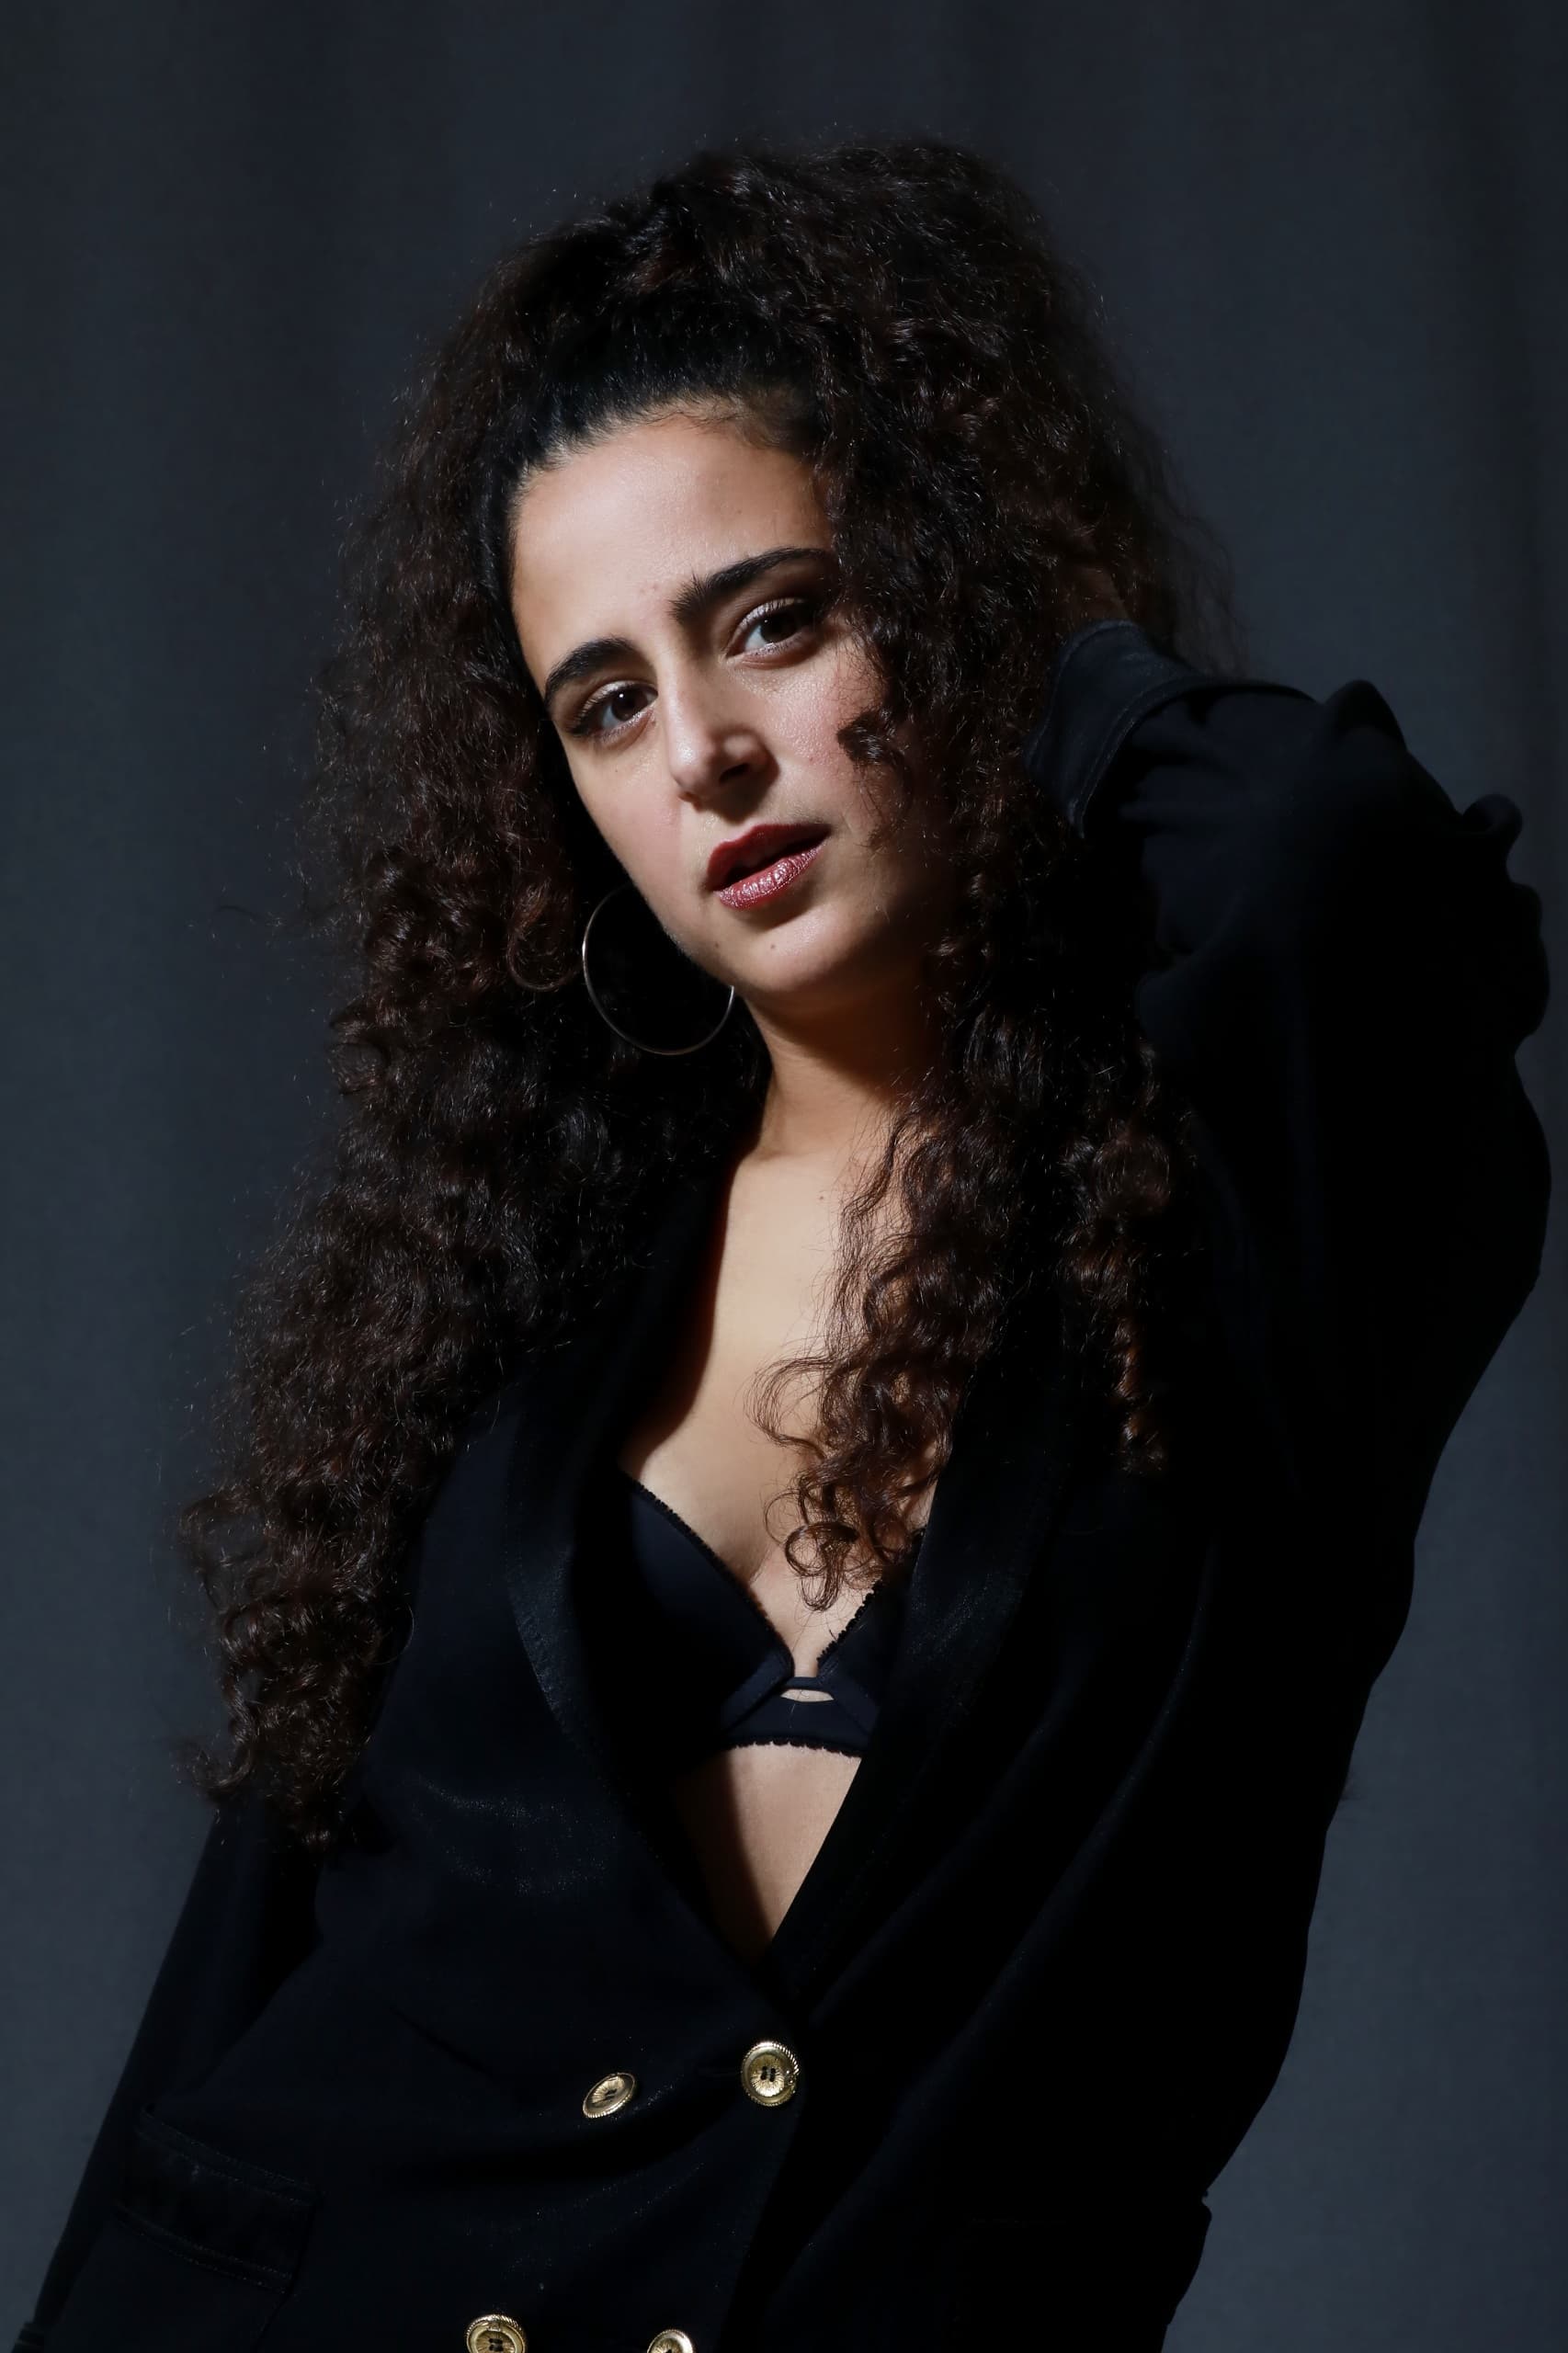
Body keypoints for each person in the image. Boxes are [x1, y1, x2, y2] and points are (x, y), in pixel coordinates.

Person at [13, 133, 1550, 2353]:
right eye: (607, 702)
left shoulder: (1238, 1223)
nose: (709, 754)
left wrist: (1037, 639)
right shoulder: (531, 1282)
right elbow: (247, 1971)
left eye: (776, 618)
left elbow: (1332, 859)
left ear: (942, 590)